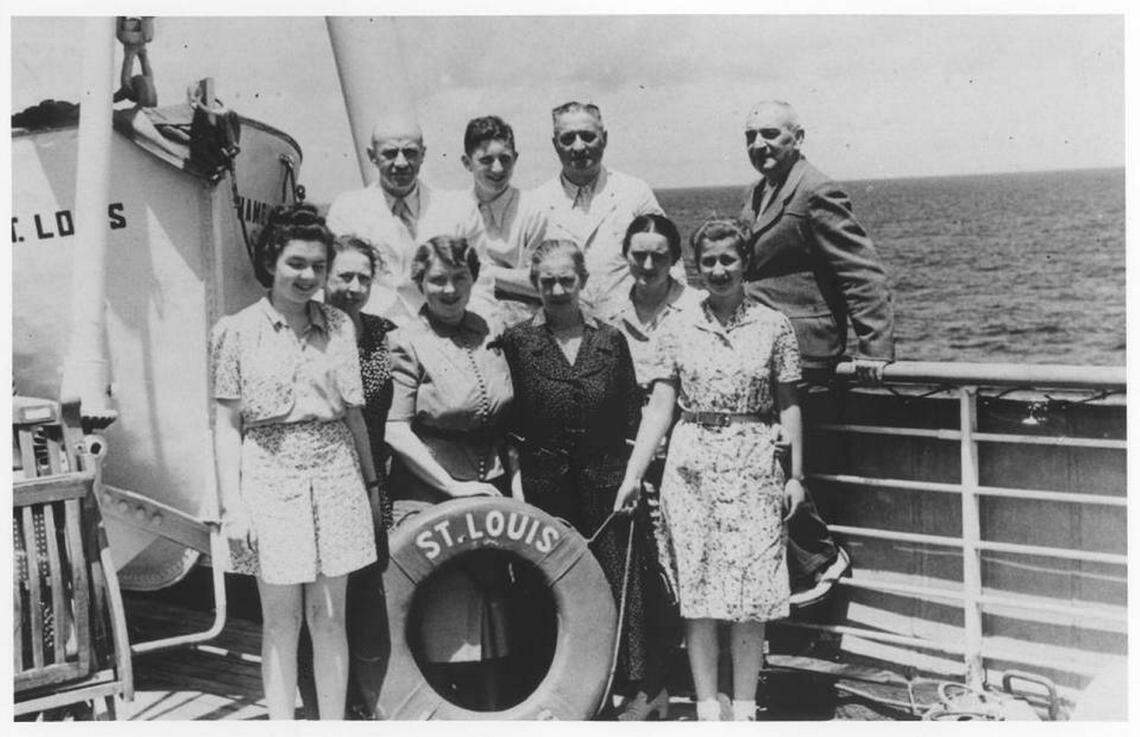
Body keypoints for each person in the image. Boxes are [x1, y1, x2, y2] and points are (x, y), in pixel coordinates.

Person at [617, 218, 804, 721]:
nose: (718, 271)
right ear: (694, 267)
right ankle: (706, 708)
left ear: (746, 264)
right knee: (697, 590)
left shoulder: (774, 325)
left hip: (753, 464)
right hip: (691, 464)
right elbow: (660, 406)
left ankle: (744, 707)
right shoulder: (677, 325)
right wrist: (634, 475)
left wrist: (796, 476)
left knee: (752, 591)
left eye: (729, 260)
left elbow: (789, 403)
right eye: (708, 262)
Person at [210, 203, 380, 720]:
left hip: (336, 473)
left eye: (317, 267)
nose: (308, 276)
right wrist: (234, 508)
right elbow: (227, 426)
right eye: (296, 263)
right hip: (269, 476)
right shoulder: (235, 331)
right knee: (280, 622)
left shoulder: (339, 328)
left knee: (330, 617)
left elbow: (353, 416)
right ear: (271, 261)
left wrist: (371, 488)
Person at [740, 99, 896, 604]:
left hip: (806, 353)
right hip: (765, 351)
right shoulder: (761, 192)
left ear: (797, 138)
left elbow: (861, 270)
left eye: (770, 134)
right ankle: (805, 568)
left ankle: (822, 560)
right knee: (766, 463)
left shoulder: (815, 190)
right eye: (751, 137)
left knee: (780, 462)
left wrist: (875, 348)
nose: (759, 145)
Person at [497, 239, 657, 716]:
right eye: (548, 281)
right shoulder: (517, 343)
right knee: (546, 585)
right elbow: (508, 422)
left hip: (606, 482)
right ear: (535, 285)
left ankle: (629, 687)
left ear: (583, 281)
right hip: (545, 486)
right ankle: (550, 681)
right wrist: (518, 481)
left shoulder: (610, 341)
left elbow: (632, 415)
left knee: (619, 582)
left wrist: (632, 479)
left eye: (568, 279)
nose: (559, 289)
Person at [384, 235, 517, 708]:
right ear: (420, 283)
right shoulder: (403, 342)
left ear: (472, 278)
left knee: (495, 609)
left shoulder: (489, 330)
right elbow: (395, 430)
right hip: (431, 490)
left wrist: (511, 487)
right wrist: (453, 487)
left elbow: (507, 420)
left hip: (492, 486)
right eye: (437, 279)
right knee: (449, 612)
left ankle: (494, 708)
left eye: (458, 277)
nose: (448, 288)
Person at [601, 214, 703, 720]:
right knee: (643, 573)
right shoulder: (608, 311)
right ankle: (654, 685)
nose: (647, 264)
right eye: (638, 254)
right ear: (626, 254)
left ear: (674, 257)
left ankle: (709, 683)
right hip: (628, 460)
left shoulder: (697, 308)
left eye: (658, 255)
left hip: (688, 457)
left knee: (694, 567)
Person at [530, 101, 683, 318]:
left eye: (587, 136)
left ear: (605, 139)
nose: (579, 147)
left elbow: (671, 262)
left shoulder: (635, 192)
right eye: (567, 139)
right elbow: (527, 273)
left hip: (630, 325)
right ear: (555, 144)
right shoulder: (536, 202)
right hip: (561, 331)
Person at [327, 114, 475, 322]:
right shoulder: (346, 210)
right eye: (390, 153)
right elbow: (334, 283)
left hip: (443, 329)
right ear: (372, 156)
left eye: (410, 152)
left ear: (423, 154)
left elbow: (480, 283)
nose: (401, 162)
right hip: (369, 327)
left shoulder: (456, 210)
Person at [457, 114, 548, 325]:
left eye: (505, 159)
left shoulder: (534, 210)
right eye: (486, 160)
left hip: (526, 324)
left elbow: (543, 282)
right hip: (468, 324)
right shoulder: (454, 210)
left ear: (515, 158)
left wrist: (476, 271)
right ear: (467, 162)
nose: (497, 169)